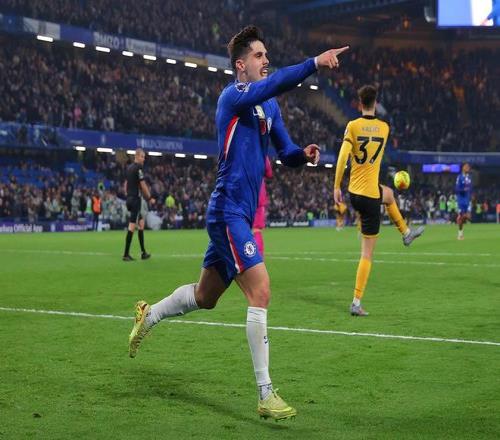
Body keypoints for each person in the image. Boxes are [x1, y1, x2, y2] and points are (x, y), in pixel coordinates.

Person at [128, 25, 348, 420]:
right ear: (240, 65)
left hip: (239, 214)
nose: (266, 61)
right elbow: (276, 83)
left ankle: (151, 314)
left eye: (267, 55)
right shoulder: (232, 97)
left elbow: (285, 151)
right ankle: (265, 393)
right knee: (260, 290)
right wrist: (314, 63)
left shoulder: (269, 107)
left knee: (205, 296)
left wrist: (303, 154)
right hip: (227, 210)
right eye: (259, 55)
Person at [334, 85, 424, 317]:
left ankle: (406, 233)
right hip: (370, 197)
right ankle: (356, 302)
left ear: (359, 103)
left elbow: (343, 157)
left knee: (389, 195)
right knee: (367, 254)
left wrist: (336, 186)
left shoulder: (353, 126)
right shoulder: (384, 128)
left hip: (355, 193)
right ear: (376, 103)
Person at [122, 148, 155, 261]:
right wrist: (149, 198)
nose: (143, 159)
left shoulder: (129, 168)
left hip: (129, 198)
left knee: (141, 224)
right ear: (136, 156)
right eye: (142, 157)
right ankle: (126, 254)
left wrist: (128, 195)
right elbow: (143, 185)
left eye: (144, 157)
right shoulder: (138, 168)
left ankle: (143, 252)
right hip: (136, 199)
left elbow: (126, 184)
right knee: (132, 226)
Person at [252, 156, 273, 257]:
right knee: (256, 230)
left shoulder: (236, 149)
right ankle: (257, 260)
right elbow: (269, 173)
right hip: (258, 196)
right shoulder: (261, 153)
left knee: (236, 228)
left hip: (240, 195)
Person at [455, 163, 472, 240]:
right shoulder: (459, 177)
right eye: (466, 167)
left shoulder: (469, 177)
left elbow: (470, 188)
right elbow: (456, 189)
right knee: (463, 217)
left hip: (467, 199)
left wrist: (471, 195)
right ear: (463, 168)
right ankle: (460, 234)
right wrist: (463, 190)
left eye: (468, 167)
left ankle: (460, 217)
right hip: (461, 200)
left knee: (468, 217)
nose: (468, 168)